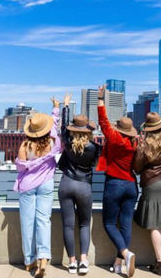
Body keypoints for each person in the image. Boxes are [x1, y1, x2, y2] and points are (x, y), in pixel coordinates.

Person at [133, 83, 161, 276]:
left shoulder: (144, 146)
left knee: (154, 225)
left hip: (152, 185)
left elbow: (136, 168)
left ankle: (159, 263)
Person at [13, 98, 61, 278]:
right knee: (43, 220)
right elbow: (54, 126)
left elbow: (20, 166)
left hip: (27, 186)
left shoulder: (25, 145)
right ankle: (43, 257)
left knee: (27, 222)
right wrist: (56, 108)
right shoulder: (53, 143)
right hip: (46, 184)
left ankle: (29, 260)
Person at [97, 85, 138, 278]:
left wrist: (100, 99)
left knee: (109, 223)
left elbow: (103, 122)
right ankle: (119, 263)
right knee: (126, 224)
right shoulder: (135, 143)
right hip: (131, 185)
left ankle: (125, 253)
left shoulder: (114, 139)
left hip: (114, 184)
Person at [58, 93, 101, 274]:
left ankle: (72, 262)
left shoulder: (67, 142)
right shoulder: (95, 148)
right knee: (84, 224)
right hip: (84, 186)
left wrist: (66, 106)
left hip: (66, 183)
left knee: (68, 225)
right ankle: (84, 261)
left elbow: (63, 126)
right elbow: (95, 165)